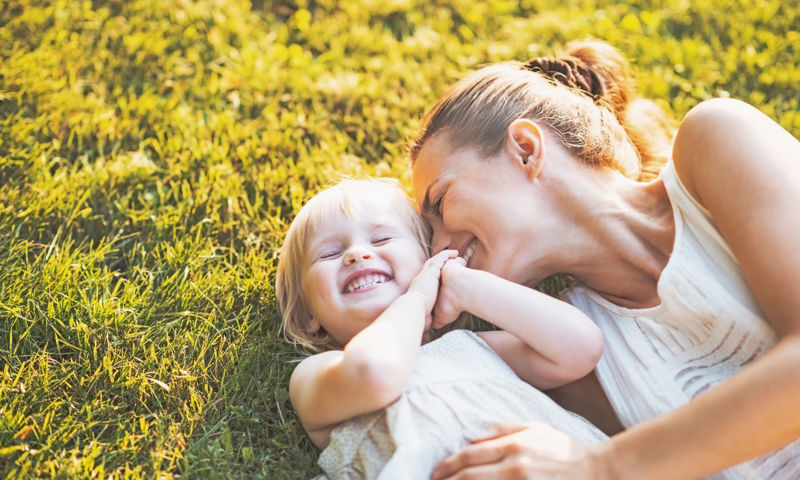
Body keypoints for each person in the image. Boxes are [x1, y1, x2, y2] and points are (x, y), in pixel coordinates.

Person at [409, 39, 800, 479]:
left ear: (525, 148)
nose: (440, 247)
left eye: (439, 202)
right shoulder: (572, 356)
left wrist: (603, 466)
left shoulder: (718, 139)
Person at [275, 178, 609, 479]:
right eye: (330, 254)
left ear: (427, 260)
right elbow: (376, 373)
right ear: (308, 316)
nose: (357, 254)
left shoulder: (471, 348)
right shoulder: (318, 373)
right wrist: (417, 299)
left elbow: (580, 347)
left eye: (382, 238)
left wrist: (465, 286)